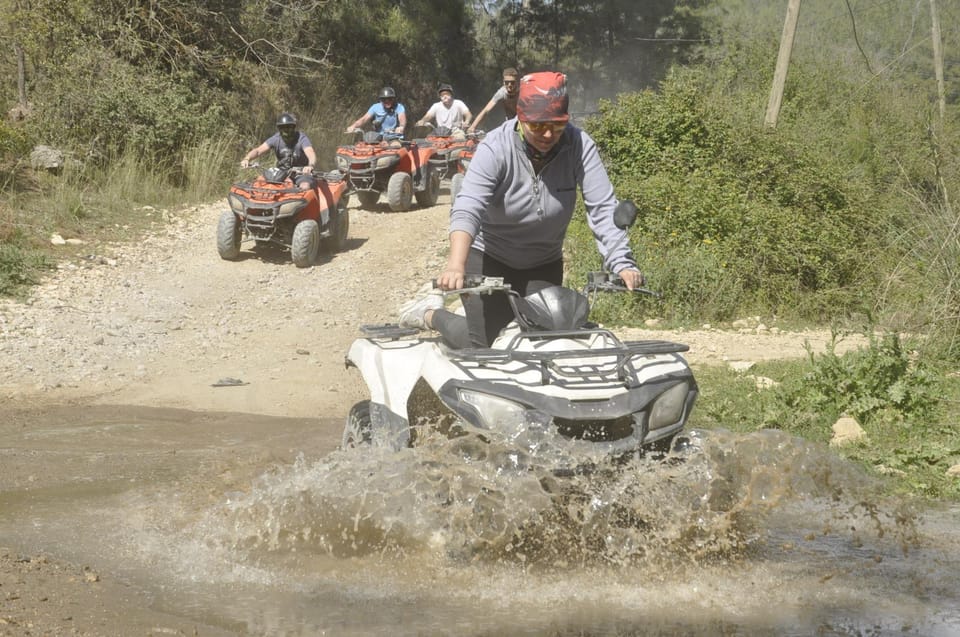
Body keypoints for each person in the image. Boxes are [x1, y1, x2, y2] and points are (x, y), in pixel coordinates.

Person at [399, 71, 644, 349]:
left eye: (557, 125)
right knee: (483, 345)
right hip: (489, 257)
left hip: (543, 261)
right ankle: (431, 314)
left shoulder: (579, 145)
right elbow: (468, 207)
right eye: (538, 126)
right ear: (520, 118)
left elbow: (601, 207)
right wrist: (455, 265)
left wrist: (621, 262)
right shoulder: (495, 146)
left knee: (549, 340)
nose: (548, 134)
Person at [240, 112, 317, 190]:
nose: (286, 130)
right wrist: (247, 158)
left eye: (288, 127)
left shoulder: (301, 138)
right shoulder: (276, 139)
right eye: (283, 128)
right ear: (279, 129)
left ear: (293, 127)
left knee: (305, 186)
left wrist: (310, 166)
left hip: (301, 173)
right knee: (259, 183)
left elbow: (310, 152)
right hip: (281, 173)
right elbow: (258, 151)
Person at [467, 67, 520, 134]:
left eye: (512, 82)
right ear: (503, 82)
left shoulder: (523, 90)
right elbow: (486, 111)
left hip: (523, 120)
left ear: (517, 82)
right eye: (507, 82)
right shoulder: (501, 93)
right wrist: (473, 127)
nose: (509, 85)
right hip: (510, 121)